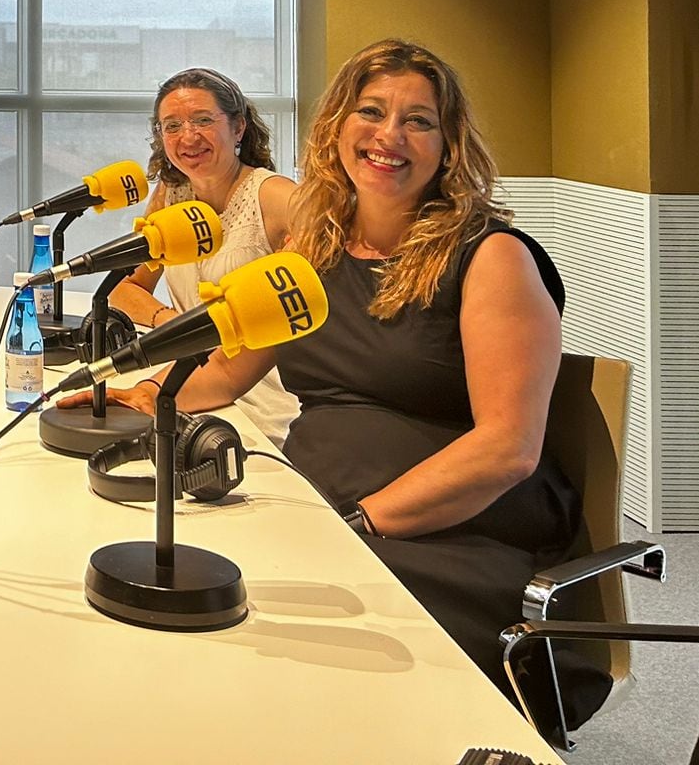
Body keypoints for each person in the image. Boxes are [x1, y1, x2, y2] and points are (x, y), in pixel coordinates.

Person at [99, 39, 602, 726]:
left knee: (288, 650)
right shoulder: (314, 247)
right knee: (191, 596)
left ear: (448, 144)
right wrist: (127, 397)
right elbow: (228, 373)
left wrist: (360, 524)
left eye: (418, 121)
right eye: (371, 112)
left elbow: (506, 449)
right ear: (337, 127)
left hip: (451, 533)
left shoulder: (491, 257)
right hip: (321, 501)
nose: (389, 136)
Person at [107, 66, 299, 445]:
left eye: (203, 120)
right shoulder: (169, 195)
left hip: (260, 395)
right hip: (188, 377)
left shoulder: (277, 197)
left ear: (238, 127)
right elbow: (124, 289)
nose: (188, 137)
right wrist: (174, 323)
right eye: (172, 126)